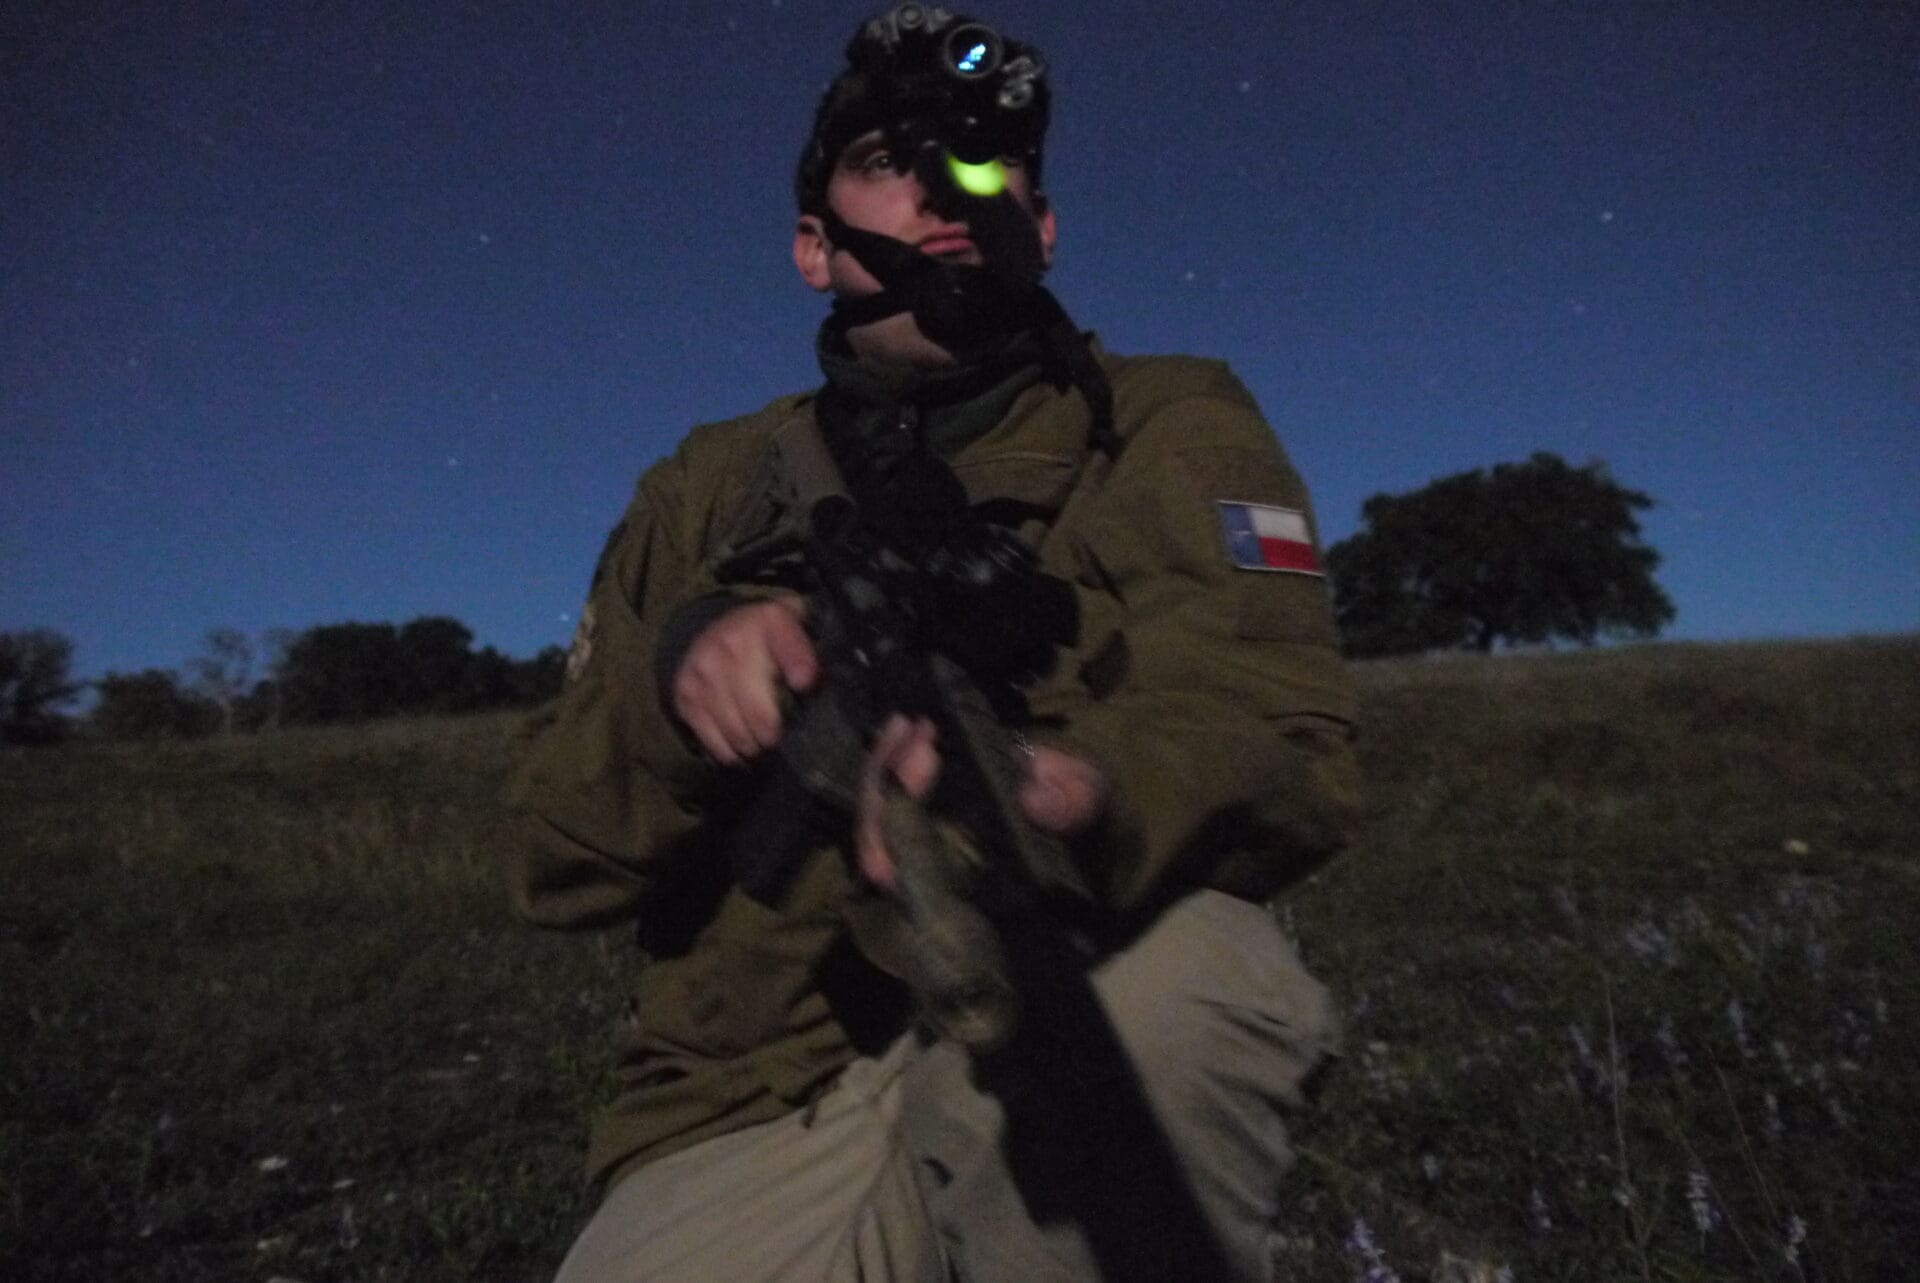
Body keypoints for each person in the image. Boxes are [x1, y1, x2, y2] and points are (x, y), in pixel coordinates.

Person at [508, 6, 1362, 1280]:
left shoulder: (1166, 420)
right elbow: (546, 860)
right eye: (887, 161)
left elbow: (1278, 735)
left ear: (1044, 226)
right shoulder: (706, 483)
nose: (948, 186)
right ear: (813, 245)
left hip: (1066, 970)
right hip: (754, 1088)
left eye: (984, 159)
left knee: (1179, 997)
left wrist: (1078, 789)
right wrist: (683, 686)